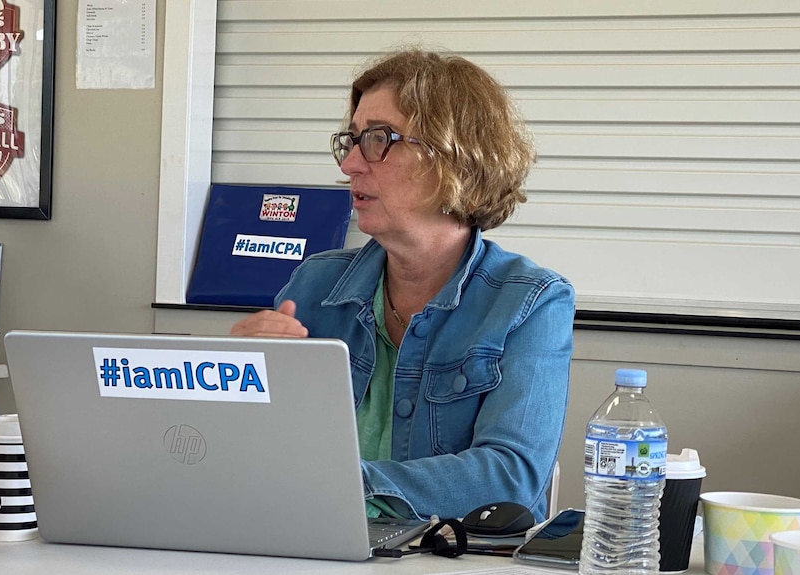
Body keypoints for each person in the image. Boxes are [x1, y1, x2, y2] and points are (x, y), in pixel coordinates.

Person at [230, 49, 575, 523]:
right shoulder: (315, 284)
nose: (350, 163)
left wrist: (347, 480)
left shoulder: (530, 302)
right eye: (349, 141)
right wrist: (231, 382)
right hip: (315, 545)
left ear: (453, 156)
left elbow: (509, 477)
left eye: (377, 139)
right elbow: (256, 456)